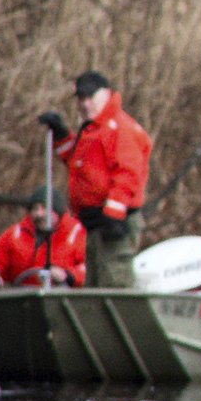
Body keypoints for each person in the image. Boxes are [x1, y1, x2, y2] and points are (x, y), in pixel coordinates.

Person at [40, 70, 152, 290]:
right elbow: (78, 162)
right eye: (81, 98)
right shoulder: (94, 130)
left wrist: (113, 214)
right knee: (95, 285)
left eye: (90, 97)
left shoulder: (120, 128)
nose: (85, 104)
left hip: (113, 224)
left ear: (107, 94)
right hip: (94, 223)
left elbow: (128, 174)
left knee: (114, 284)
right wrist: (61, 134)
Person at [0, 187, 87, 290]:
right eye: (35, 209)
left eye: (44, 208)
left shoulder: (76, 233)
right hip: (21, 298)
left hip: (61, 299)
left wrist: (67, 275)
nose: (39, 214)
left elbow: (87, 268)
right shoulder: (16, 234)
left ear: (57, 211)